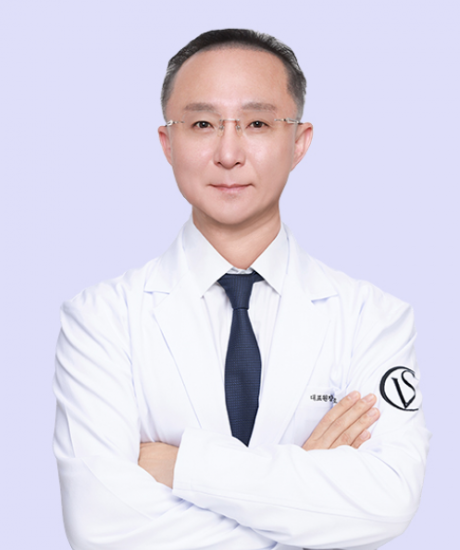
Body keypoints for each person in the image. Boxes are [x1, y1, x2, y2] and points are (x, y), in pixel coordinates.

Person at [53, 29, 430, 550]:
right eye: (202, 124)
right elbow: (101, 526)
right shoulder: (99, 319)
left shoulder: (373, 318)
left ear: (299, 142)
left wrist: (181, 465)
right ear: (167, 143)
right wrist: (307, 495)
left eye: (257, 124)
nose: (228, 153)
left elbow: (388, 500)